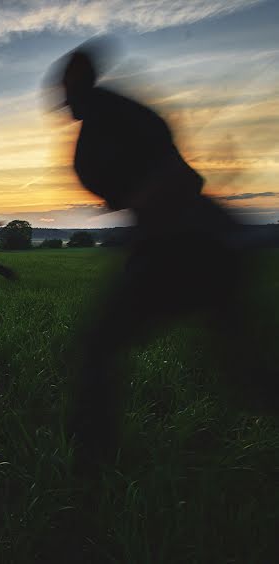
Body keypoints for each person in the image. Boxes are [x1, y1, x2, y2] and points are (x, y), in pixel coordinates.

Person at [48, 40, 274, 469]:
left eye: (63, 86)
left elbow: (178, 178)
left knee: (97, 345)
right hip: (217, 241)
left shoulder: (108, 115)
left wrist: (146, 217)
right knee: (247, 372)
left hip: (186, 246)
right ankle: (91, 457)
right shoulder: (112, 116)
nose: (59, 99)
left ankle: (90, 465)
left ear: (79, 81)